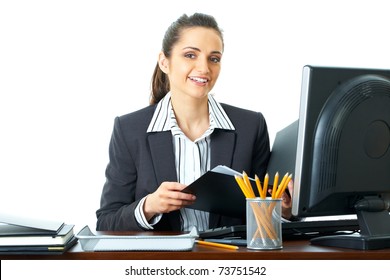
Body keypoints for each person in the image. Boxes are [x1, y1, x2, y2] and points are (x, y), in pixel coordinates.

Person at [96, 13, 293, 232]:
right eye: (190, 55)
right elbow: (106, 221)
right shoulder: (129, 129)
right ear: (164, 62)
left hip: (229, 260)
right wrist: (149, 207)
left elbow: (265, 214)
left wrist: (282, 211)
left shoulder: (250, 126)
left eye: (214, 58)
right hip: (162, 263)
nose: (204, 68)